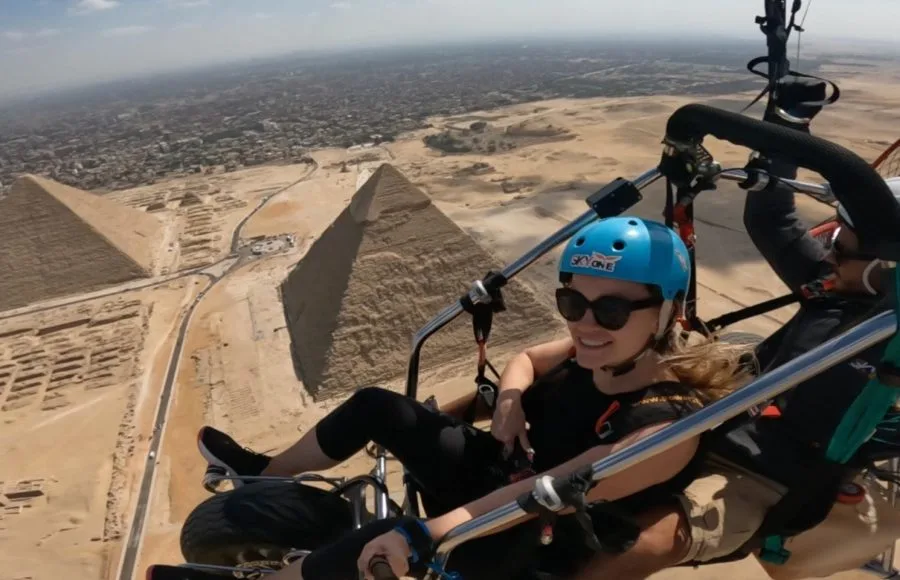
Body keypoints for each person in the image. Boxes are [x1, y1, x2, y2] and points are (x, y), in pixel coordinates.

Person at [146, 216, 753, 580]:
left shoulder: (664, 428)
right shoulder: (594, 349)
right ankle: (264, 477)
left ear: (668, 310)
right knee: (377, 405)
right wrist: (511, 402)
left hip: (532, 536)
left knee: (388, 539)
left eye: (613, 308)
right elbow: (524, 360)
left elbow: (541, 495)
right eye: (573, 303)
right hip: (504, 476)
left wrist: (426, 536)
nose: (586, 323)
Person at [557, 173, 900, 580]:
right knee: (601, 352)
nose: (828, 256)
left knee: (643, 545)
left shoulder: (889, 333)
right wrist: (789, 122)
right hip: (712, 407)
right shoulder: (832, 288)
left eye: (841, 250)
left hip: (760, 469)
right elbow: (772, 219)